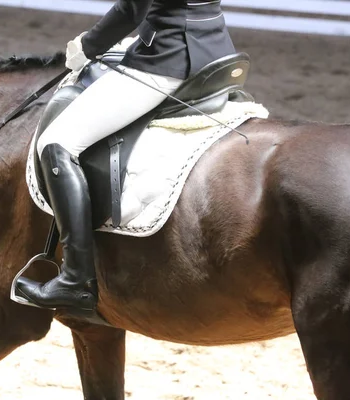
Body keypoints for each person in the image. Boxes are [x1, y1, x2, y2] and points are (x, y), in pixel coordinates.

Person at [14, 0, 237, 311]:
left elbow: (132, 9)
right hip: (214, 50)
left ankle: (75, 278)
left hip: (168, 58)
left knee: (56, 144)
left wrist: (87, 45)